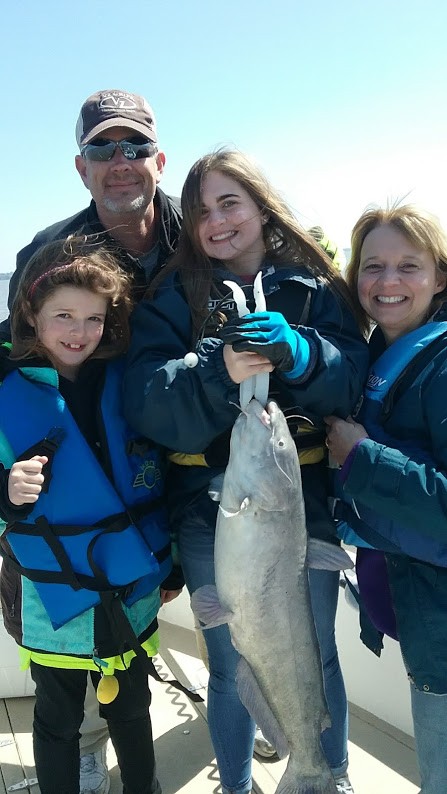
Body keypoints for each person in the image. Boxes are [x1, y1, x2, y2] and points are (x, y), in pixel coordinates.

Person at [123, 149, 369, 794]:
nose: (217, 220)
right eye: (201, 210)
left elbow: (352, 378)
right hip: (212, 516)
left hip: (301, 507)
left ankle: (325, 772)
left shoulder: (314, 289)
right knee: (231, 664)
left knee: (317, 650)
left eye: (231, 202)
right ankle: (236, 784)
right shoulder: (173, 299)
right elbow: (147, 399)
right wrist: (214, 371)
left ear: (262, 205)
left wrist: (301, 352)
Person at [1, 88, 183, 794]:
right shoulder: (44, 253)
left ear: (156, 158)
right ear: (81, 167)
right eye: (102, 149)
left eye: (133, 147)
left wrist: (166, 560)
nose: (120, 161)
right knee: (56, 711)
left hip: (143, 550)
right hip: (54, 579)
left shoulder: (198, 240)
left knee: (132, 700)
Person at [325, 204, 447, 794]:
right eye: (372, 267)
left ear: (440, 277)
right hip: (417, 611)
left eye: (409, 266)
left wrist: (361, 457)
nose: (388, 282)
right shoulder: (370, 358)